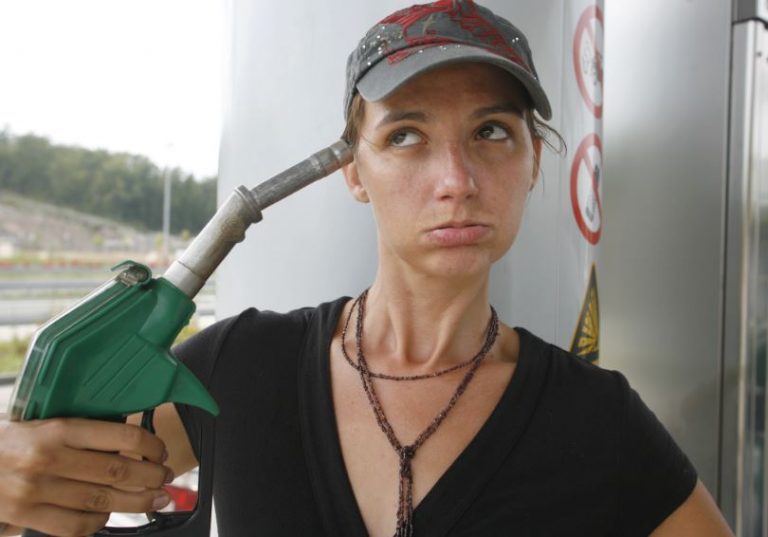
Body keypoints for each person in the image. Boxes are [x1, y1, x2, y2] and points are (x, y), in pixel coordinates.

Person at [0, 1, 735, 536]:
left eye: (491, 131)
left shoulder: (597, 419)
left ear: (534, 160)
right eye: (406, 135)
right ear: (354, 170)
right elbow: (42, 480)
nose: (456, 179)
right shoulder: (240, 364)